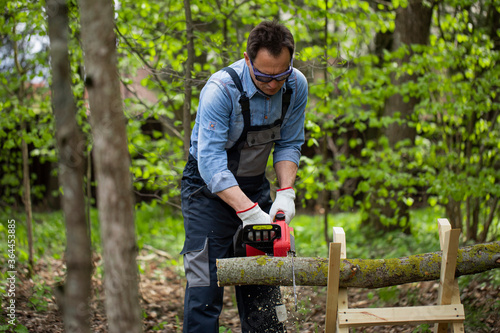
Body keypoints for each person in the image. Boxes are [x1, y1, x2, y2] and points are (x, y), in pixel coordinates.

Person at [180, 19, 308, 333]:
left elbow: (289, 142)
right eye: (265, 76)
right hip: (205, 192)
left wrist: (285, 192)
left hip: (254, 186)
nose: (274, 84)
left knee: (263, 284)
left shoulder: (296, 85)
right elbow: (210, 163)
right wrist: (248, 212)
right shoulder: (221, 89)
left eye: (281, 74)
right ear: (248, 59)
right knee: (203, 285)